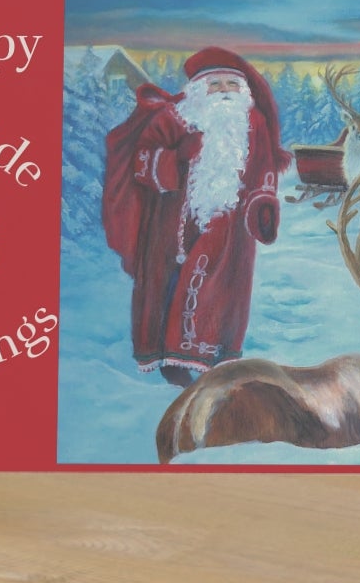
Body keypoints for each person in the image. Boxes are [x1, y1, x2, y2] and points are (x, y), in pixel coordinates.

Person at [99, 46, 293, 385]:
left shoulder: (253, 122)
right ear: (199, 90)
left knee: (222, 292)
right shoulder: (174, 118)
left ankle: (214, 357)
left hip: (232, 229)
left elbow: (264, 168)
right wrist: (177, 158)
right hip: (170, 226)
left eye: (231, 84)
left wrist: (263, 203)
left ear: (243, 90)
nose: (223, 92)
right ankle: (169, 357)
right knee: (168, 287)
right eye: (215, 84)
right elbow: (142, 163)